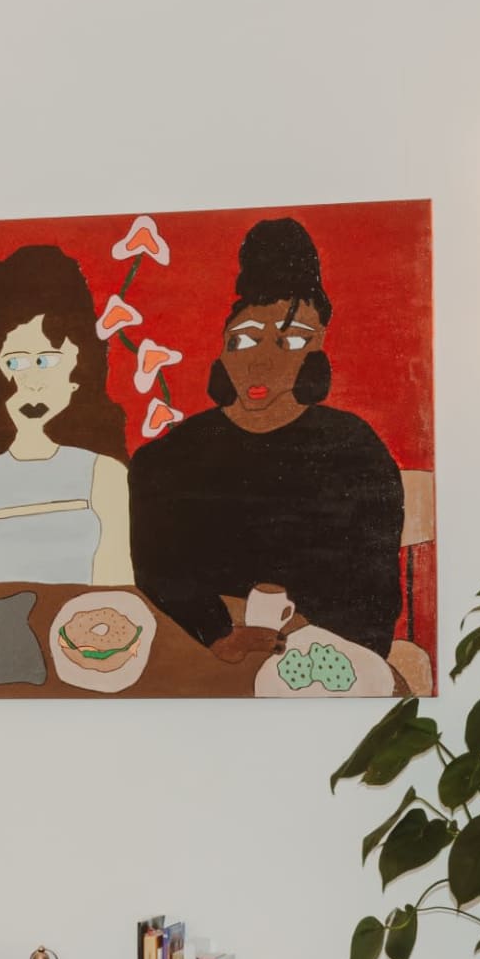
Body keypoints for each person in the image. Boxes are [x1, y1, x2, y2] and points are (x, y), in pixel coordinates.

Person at [126, 217, 406, 665]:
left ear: (318, 351)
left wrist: (308, 637)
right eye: (244, 340)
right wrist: (216, 631)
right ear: (221, 350)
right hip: (202, 658)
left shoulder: (354, 450)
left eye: (291, 341)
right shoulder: (166, 460)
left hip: (321, 659)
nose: (260, 363)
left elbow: (372, 594)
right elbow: (161, 574)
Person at [0, 243, 135, 585]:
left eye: (45, 360)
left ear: (79, 362)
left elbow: (118, 587)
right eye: (14, 362)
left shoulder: (105, 474)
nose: (31, 382)